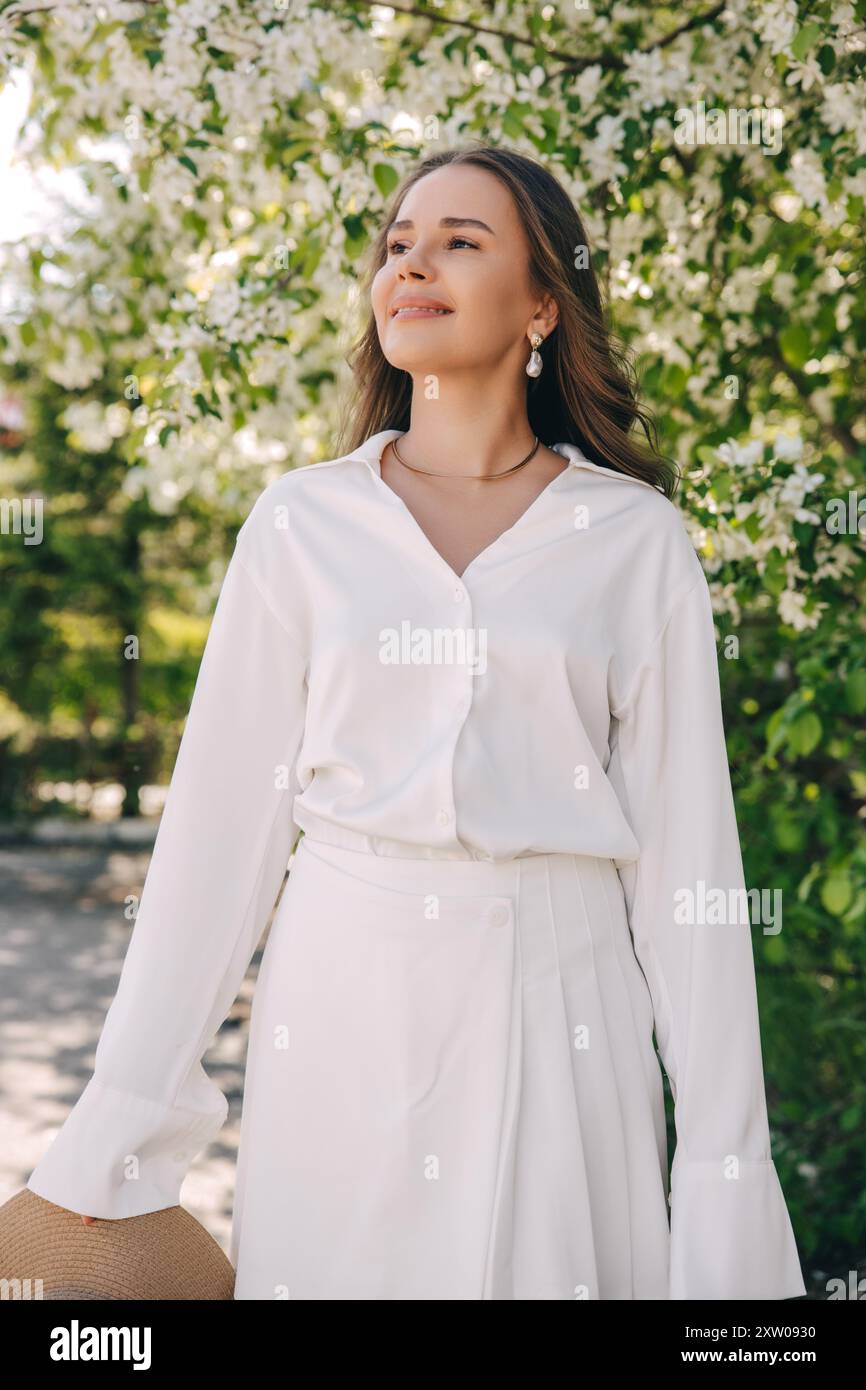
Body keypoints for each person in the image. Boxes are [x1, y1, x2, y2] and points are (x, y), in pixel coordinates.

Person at [26, 143, 807, 1301]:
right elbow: (216, 842)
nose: (411, 263)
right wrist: (120, 1128)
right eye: (397, 243)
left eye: (459, 240)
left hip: (567, 1011)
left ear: (543, 302)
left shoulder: (633, 541)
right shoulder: (299, 525)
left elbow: (689, 874)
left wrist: (727, 1188)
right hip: (341, 1009)